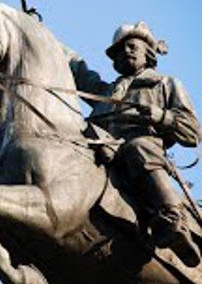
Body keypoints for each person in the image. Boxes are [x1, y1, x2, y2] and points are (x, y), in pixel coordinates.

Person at [62, 21, 201, 267]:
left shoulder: (165, 84)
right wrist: (41, 33)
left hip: (142, 151)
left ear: (147, 52)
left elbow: (193, 132)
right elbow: (78, 69)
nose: (125, 51)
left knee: (138, 147)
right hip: (104, 148)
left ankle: (173, 219)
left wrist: (161, 116)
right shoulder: (108, 92)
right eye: (119, 50)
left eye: (131, 46)